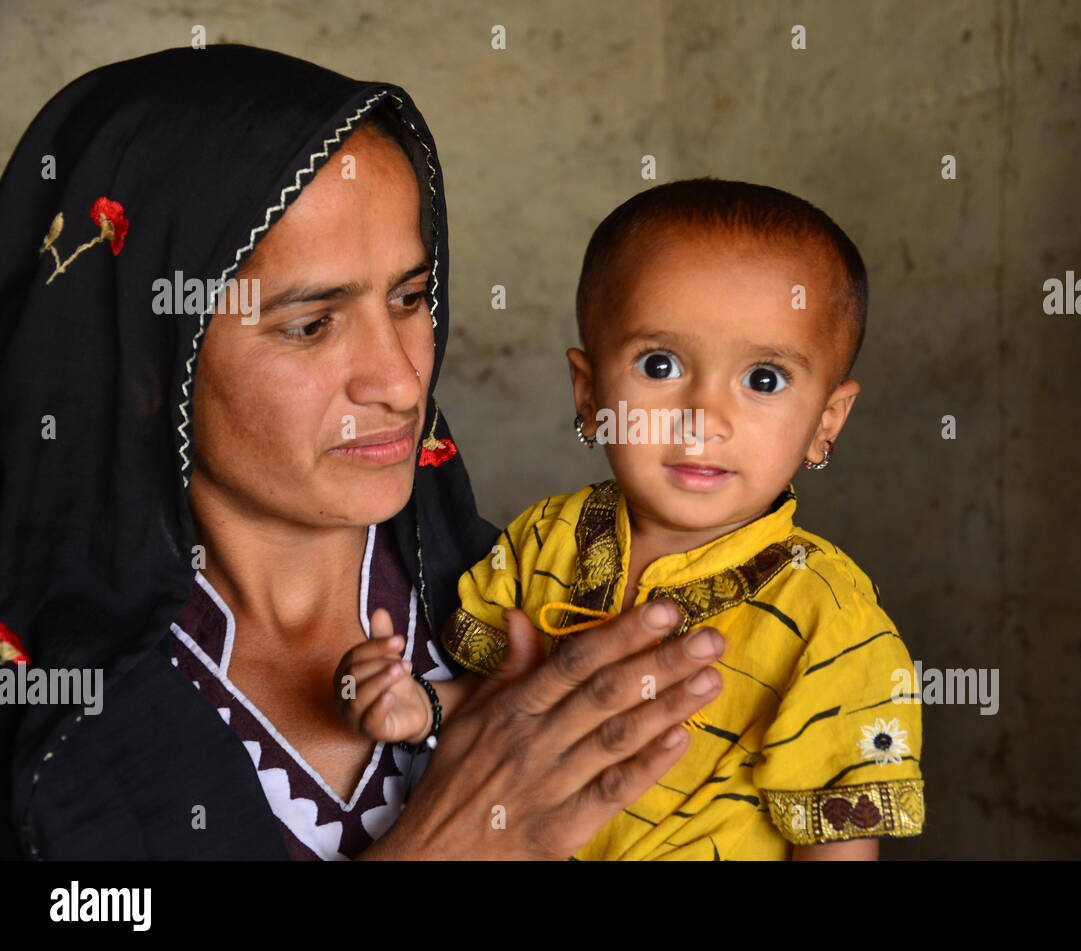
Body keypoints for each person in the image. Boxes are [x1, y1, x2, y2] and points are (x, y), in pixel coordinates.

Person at [0, 45, 726, 860]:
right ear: (138, 361)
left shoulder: (549, 606)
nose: (401, 381)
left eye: (412, 298)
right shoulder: (39, 706)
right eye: (311, 324)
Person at [341, 178, 926, 859]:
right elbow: (507, 715)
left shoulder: (829, 615)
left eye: (763, 379)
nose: (704, 417)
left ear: (826, 422)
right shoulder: (544, 540)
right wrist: (421, 707)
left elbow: (837, 836)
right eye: (661, 364)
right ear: (589, 394)